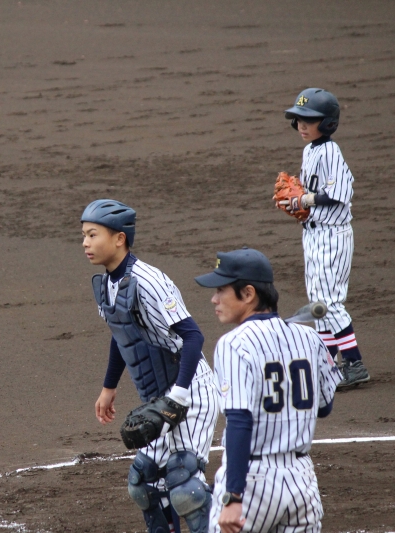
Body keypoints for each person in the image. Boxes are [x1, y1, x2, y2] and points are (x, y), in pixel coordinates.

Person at [81, 199, 220, 533]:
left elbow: (193, 337)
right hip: (157, 398)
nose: (85, 243)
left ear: (119, 239)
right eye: (83, 235)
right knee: (143, 483)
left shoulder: (149, 281)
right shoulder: (107, 285)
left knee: (183, 483)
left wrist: (180, 396)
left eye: (93, 234)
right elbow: (121, 334)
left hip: (190, 389)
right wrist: (109, 387)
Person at [194, 248, 341, 533]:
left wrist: (233, 496)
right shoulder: (309, 337)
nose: (214, 299)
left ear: (248, 293)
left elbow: (239, 421)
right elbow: (325, 407)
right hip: (302, 483)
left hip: (253, 483)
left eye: (221, 290)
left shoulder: (234, 343)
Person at [278, 87, 371, 389]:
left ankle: (354, 364)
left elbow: (337, 194)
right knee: (318, 303)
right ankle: (328, 364)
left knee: (329, 303)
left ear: (327, 122)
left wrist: (303, 200)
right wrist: (301, 201)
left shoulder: (331, 151)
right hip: (314, 234)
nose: (302, 126)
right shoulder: (310, 151)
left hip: (332, 235)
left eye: (309, 120)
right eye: (299, 120)